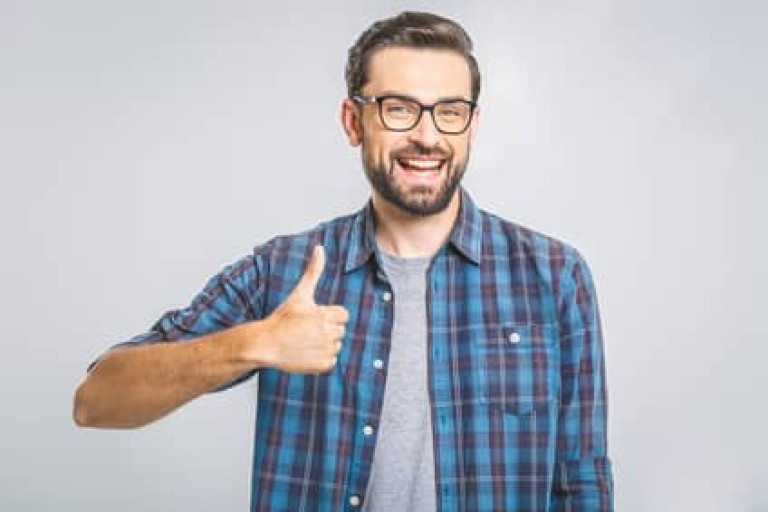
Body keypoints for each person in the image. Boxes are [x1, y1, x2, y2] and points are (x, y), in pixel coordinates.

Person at [73, 11, 614, 511]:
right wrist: (254, 342)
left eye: (449, 112)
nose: (427, 136)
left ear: (471, 126)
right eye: (399, 109)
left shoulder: (554, 276)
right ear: (353, 122)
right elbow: (96, 400)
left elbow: (582, 481)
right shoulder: (282, 272)